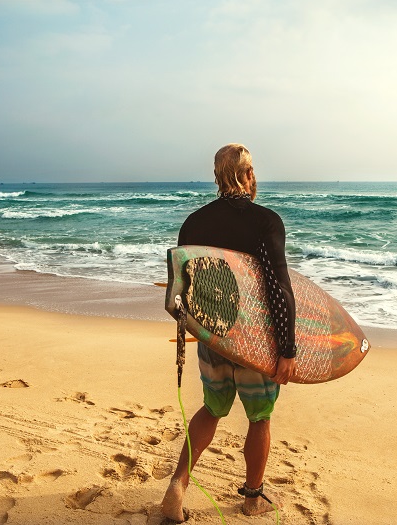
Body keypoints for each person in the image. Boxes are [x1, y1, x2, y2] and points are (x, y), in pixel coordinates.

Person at [161, 143, 297, 522]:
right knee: (260, 417)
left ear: (218, 177)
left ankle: (178, 484)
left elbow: (185, 287)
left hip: (213, 337)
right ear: (248, 175)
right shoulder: (266, 221)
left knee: (212, 408)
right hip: (254, 342)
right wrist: (287, 348)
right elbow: (278, 287)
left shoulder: (194, 223)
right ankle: (253, 496)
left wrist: (202, 334)